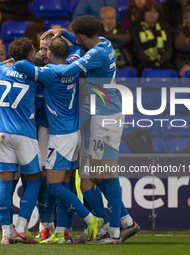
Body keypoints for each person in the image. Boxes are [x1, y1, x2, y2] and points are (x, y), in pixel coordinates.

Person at [45, 15, 139, 244]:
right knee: (87, 179)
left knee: (106, 173)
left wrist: (41, 67)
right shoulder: (103, 42)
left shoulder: (95, 54)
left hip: (107, 117)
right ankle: (118, 223)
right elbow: (78, 45)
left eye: (75, 36)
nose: (75, 39)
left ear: (82, 36)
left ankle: (115, 230)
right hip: (101, 115)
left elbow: (68, 71)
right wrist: (63, 33)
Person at [14, 36, 104, 244]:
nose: (43, 54)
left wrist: (32, 55)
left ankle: (92, 220)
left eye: (46, 50)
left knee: (55, 186)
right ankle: (62, 233)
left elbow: (20, 64)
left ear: (52, 53)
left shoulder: (49, 73)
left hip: (61, 137)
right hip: (73, 135)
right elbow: (76, 53)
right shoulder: (73, 65)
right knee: (65, 184)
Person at [0, 38, 42, 245]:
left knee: (5, 183)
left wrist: (9, 60)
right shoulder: (34, 76)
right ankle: (20, 229)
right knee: (34, 181)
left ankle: (5, 233)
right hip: (24, 134)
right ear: (29, 55)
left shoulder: (2, 71)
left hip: (2, 132)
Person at [131, 0, 174, 74]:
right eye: (148, 12)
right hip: (143, 64)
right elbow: (136, 49)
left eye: (155, 12)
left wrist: (163, 59)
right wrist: (149, 60)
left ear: (159, 14)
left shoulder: (166, 28)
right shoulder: (136, 28)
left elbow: (169, 47)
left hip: (163, 63)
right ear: (143, 13)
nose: (151, 15)